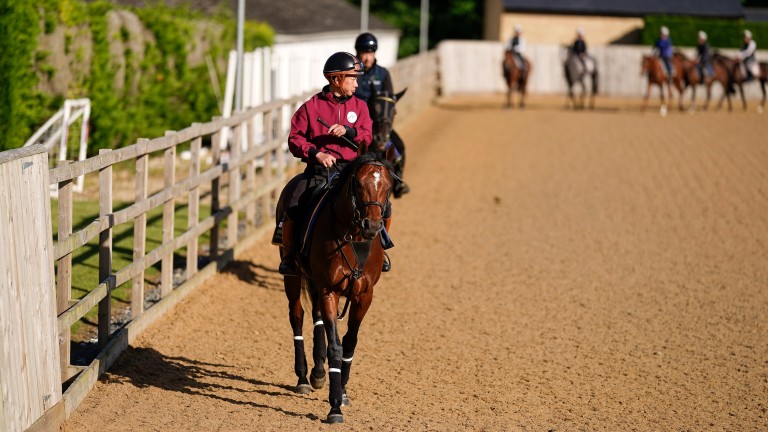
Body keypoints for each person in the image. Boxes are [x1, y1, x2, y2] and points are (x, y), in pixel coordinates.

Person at [275, 52, 372, 276]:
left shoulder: (360, 107)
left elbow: (367, 136)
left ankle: (382, 246)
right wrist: (317, 153)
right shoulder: (310, 108)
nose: (357, 84)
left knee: (379, 203)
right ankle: (289, 256)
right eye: (353, 78)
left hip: (351, 171)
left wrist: (349, 130)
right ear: (337, 79)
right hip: (319, 171)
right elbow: (295, 139)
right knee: (294, 200)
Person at [353, 32, 410, 198]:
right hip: (356, 124)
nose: (368, 57)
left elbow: (389, 101)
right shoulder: (352, 72)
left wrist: (384, 124)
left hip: (378, 125)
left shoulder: (383, 74)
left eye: (371, 53)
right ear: (358, 53)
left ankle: (398, 183)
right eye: (364, 53)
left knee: (400, 148)